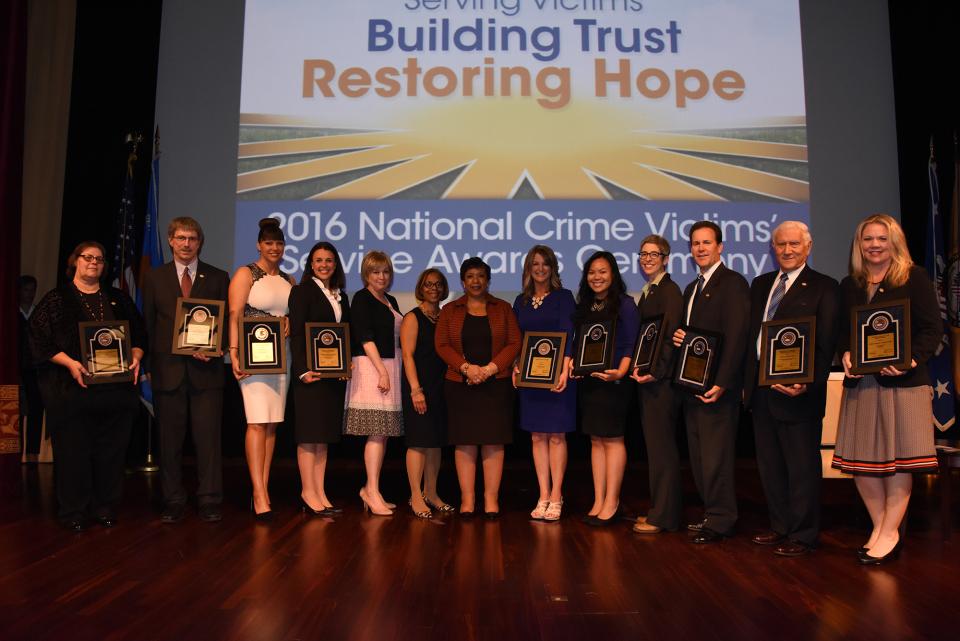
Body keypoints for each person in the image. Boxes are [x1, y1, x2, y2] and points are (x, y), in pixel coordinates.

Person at [832, 213, 940, 564]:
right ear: (858, 244)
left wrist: (909, 360)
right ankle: (883, 529)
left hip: (904, 385)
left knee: (899, 464)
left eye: (881, 238)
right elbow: (843, 333)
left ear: (894, 242)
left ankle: (888, 534)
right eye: (867, 239)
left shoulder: (914, 278)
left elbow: (931, 330)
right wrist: (846, 353)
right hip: (861, 384)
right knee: (862, 464)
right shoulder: (850, 284)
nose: (874, 245)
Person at [28, 242, 146, 531]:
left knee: (111, 453)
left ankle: (105, 506)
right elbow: (37, 341)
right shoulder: (57, 299)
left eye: (99, 259)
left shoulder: (118, 298)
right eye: (87, 257)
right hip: (72, 391)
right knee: (74, 453)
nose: (94, 262)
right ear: (75, 261)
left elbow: (140, 333)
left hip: (115, 392)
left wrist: (136, 355)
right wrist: (69, 362)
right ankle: (74, 511)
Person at [743, 221, 839, 556]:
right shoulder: (760, 285)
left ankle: (803, 534)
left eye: (794, 245)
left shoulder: (825, 287)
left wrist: (806, 382)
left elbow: (826, 344)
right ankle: (780, 526)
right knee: (770, 467)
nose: (787, 250)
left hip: (799, 394)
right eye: (781, 245)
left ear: (808, 247)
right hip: (762, 392)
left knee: (801, 468)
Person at [142, 217, 230, 524]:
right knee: (170, 442)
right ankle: (173, 499)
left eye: (192, 238)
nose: (186, 244)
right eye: (181, 238)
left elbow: (226, 323)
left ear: (199, 242)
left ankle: (209, 499)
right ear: (170, 240)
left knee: (208, 441)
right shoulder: (154, 278)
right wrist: (149, 368)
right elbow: (149, 326)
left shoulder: (218, 277)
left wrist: (217, 347)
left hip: (207, 372)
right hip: (168, 372)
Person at [671, 221, 750, 543]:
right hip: (692, 386)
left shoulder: (732, 283)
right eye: (695, 243)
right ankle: (711, 513)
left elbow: (736, 336)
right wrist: (681, 337)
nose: (700, 248)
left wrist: (724, 382)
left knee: (716, 458)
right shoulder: (691, 288)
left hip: (716, 389)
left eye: (706, 242)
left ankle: (721, 520)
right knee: (701, 458)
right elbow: (699, 339)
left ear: (720, 247)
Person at [435, 257, 521, 517]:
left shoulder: (503, 308)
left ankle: (491, 500)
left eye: (480, 276)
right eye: (470, 276)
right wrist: (466, 368)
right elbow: (441, 345)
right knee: (465, 442)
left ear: (488, 280)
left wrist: (489, 369)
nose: (475, 281)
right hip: (461, 385)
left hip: (496, 384)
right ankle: (468, 500)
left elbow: (514, 342)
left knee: (494, 442)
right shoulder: (450, 310)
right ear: (462, 281)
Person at [228, 217, 294, 521]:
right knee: (256, 422)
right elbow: (235, 314)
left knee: (272, 424)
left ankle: (263, 489)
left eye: (279, 243)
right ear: (259, 244)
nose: (274, 248)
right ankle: (257, 493)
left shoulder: (289, 279)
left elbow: (293, 315)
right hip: (254, 359)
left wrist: (290, 323)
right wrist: (234, 353)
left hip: (282, 359)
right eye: (269, 243)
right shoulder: (246, 274)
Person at [572, 251, 640, 527]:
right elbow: (579, 343)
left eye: (602, 271)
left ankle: (612, 501)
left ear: (613, 275)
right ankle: (598, 499)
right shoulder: (585, 305)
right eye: (591, 272)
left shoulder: (625, 305)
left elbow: (630, 343)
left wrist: (621, 371)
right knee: (596, 441)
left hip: (615, 382)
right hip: (590, 382)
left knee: (613, 440)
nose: (596, 277)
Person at [512, 246, 576, 522]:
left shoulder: (564, 297)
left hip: (558, 376)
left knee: (557, 435)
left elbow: (569, 334)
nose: (540, 268)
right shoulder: (521, 301)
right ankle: (543, 494)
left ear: (553, 268)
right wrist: (516, 364)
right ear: (528, 268)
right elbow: (517, 338)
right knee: (537, 436)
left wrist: (564, 369)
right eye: (535, 264)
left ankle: (556, 495)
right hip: (531, 377)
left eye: (545, 264)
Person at [289, 242, 350, 516]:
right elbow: (300, 333)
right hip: (310, 376)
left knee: (323, 436)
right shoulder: (301, 292)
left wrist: (345, 362)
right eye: (318, 260)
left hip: (332, 376)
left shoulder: (341, 296)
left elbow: (344, 334)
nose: (324, 265)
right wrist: (302, 370)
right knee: (308, 435)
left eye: (328, 260)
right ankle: (307, 491)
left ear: (335, 264)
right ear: (311, 264)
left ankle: (320, 491)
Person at [629, 235, 684, 534]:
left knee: (662, 450)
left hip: (660, 384)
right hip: (648, 381)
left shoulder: (670, 291)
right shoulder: (650, 291)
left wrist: (657, 372)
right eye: (643, 254)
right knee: (656, 449)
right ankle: (659, 511)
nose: (647, 258)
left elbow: (670, 338)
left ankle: (664, 516)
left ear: (665, 258)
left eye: (654, 254)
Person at [344, 251, 404, 516]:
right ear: (366, 274)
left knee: (382, 433)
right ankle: (371, 490)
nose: (381, 276)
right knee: (376, 431)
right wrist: (381, 371)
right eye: (375, 272)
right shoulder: (361, 298)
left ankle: (372, 489)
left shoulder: (389, 299)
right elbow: (365, 337)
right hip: (373, 367)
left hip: (390, 366)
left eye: (386, 271)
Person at [401, 268, 454, 518]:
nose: (433, 289)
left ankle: (431, 493)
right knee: (419, 442)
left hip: (440, 387)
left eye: (438, 285)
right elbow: (407, 355)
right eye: (428, 284)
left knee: (435, 443)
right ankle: (415, 496)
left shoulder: (445, 316)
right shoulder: (412, 317)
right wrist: (415, 389)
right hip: (419, 387)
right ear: (420, 288)